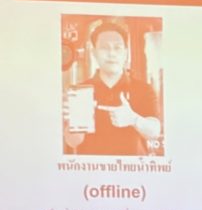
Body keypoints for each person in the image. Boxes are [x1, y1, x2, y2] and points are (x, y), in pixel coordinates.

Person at [63, 20, 163, 156]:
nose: (111, 53)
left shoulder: (144, 89)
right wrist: (74, 122)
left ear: (125, 53)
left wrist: (133, 119)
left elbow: (155, 132)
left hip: (133, 168)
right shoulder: (81, 91)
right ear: (94, 53)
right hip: (92, 167)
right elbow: (73, 142)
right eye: (104, 47)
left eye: (117, 47)